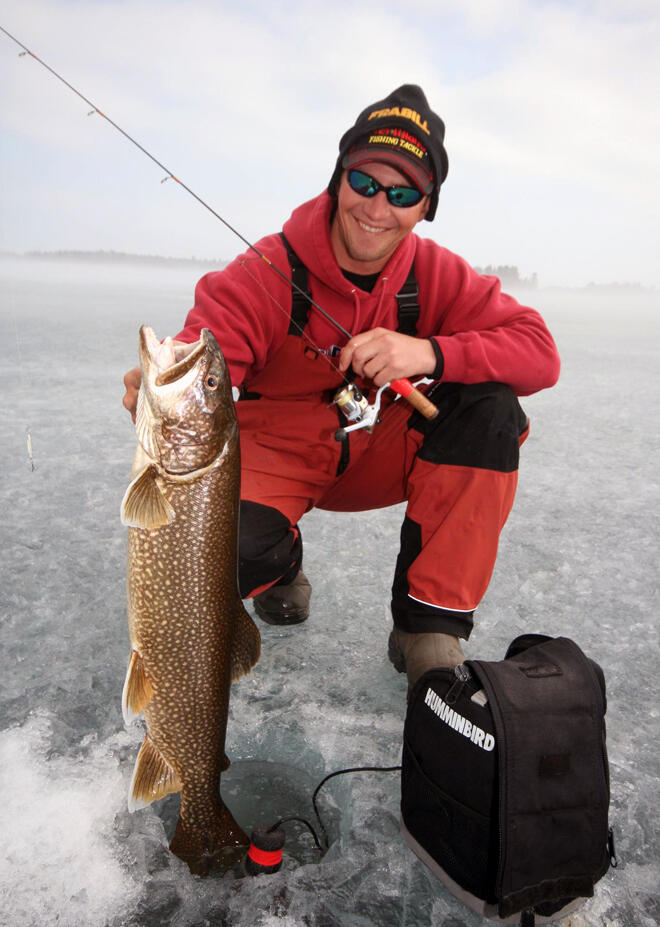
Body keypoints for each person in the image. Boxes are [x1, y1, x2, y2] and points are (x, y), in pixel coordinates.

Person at [123, 85, 560, 688]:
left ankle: (426, 627)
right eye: (365, 183)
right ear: (338, 179)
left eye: (403, 193)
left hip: (384, 450)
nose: (378, 208)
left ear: (424, 207)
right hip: (279, 456)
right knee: (215, 553)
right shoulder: (263, 272)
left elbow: (540, 352)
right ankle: (279, 567)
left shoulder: (436, 275)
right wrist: (163, 393)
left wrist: (430, 350)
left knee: (492, 407)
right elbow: (208, 349)